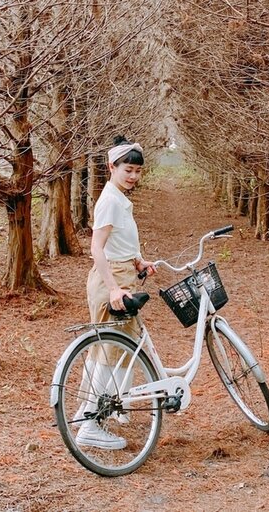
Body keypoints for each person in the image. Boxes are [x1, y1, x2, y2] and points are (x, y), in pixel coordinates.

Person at [75, 136, 156, 451]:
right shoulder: (110, 200)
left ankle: (91, 414)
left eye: (137, 171)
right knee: (111, 354)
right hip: (112, 280)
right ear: (112, 167)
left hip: (123, 273)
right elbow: (96, 248)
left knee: (109, 352)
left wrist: (138, 261)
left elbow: (119, 241)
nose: (133, 176)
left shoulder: (119, 197)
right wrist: (113, 289)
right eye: (128, 170)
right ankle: (91, 424)